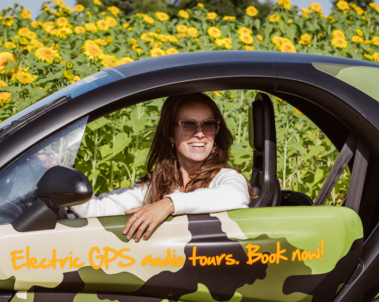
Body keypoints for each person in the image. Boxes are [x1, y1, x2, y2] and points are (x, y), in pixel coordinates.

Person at [71, 93, 251, 242]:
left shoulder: (226, 176)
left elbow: (236, 196)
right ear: (170, 135)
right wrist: (57, 173)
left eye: (209, 125)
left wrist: (170, 204)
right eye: (188, 125)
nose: (200, 134)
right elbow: (98, 210)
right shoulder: (158, 184)